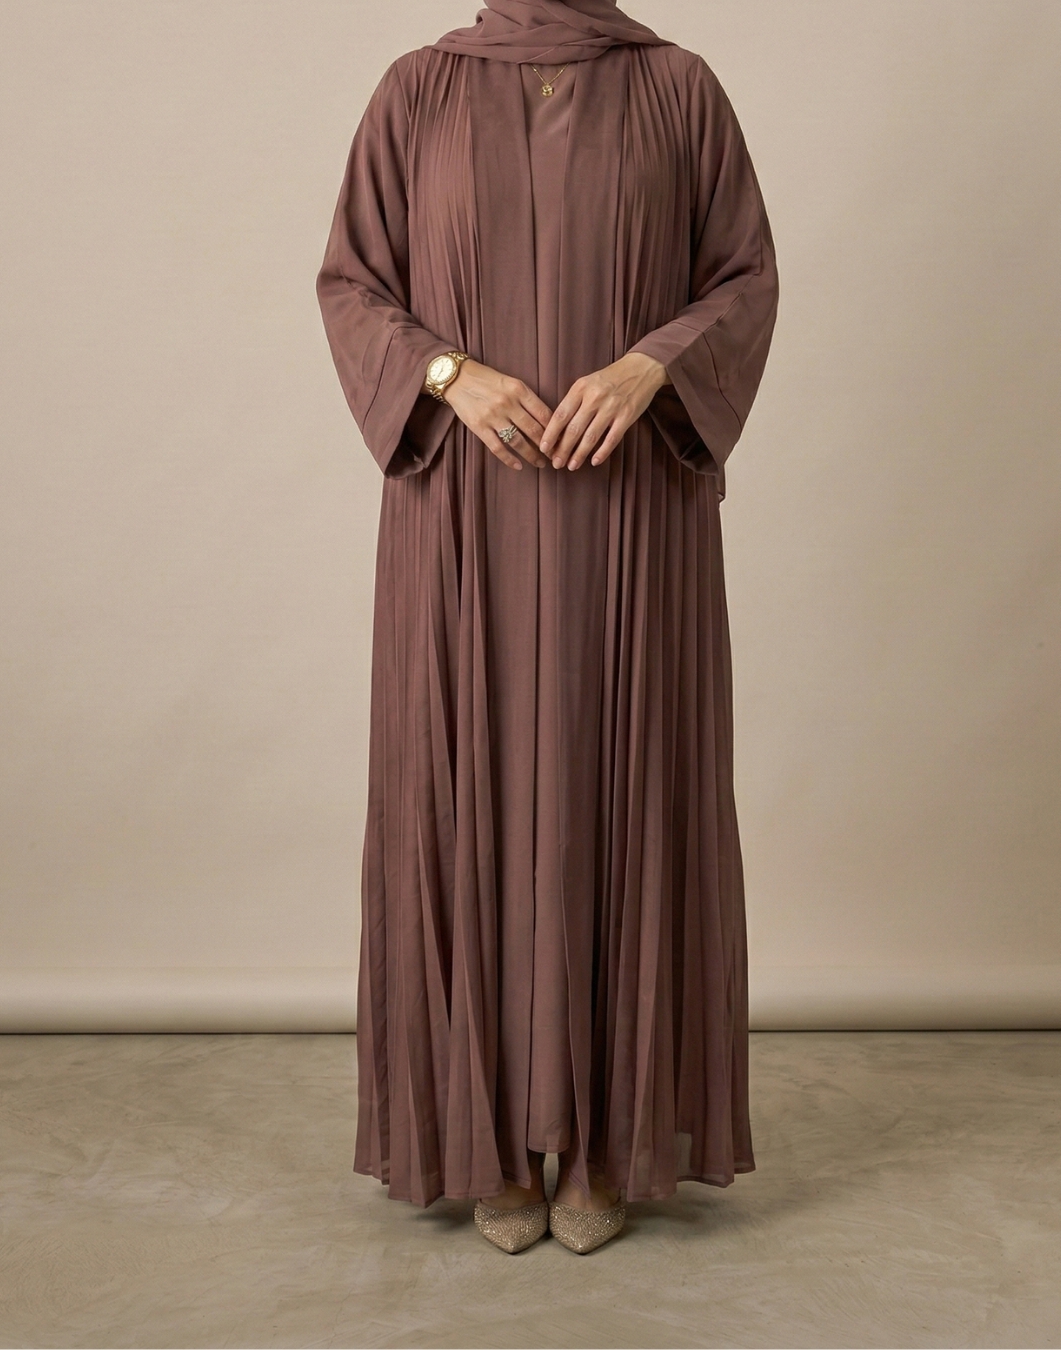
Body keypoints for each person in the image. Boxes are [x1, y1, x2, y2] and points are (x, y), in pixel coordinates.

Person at [315, 0, 779, 1255]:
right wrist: (449, 377)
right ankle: (489, 1145)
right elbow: (352, 282)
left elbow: (744, 278)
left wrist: (651, 365)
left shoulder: (678, 90)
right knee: (467, 786)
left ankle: (607, 1143)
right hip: (464, 514)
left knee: (620, 785)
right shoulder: (416, 91)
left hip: (632, 513)